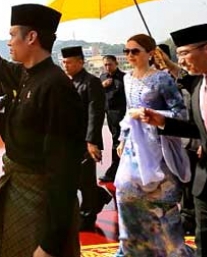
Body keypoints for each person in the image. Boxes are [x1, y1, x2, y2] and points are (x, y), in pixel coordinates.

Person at [0, 3, 84, 257]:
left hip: (39, 200)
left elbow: (64, 172)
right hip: (16, 187)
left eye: (11, 35)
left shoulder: (56, 87)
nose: (8, 42)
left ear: (31, 37)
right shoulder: (26, 75)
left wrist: (50, 244)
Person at [113, 34, 191, 256]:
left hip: (158, 149)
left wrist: (152, 115)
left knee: (161, 204)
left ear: (149, 53)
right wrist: (122, 138)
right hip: (133, 150)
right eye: (126, 51)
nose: (130, 55)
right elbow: (128, 111)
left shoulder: (162, 79)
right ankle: (132, 249)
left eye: (135, 51)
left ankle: (171, 250)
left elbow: (181, 112)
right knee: (126, 197)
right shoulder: (127, 79)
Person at [141, 23, 207, 256]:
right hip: (204, 180)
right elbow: (196, 128)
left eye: (184, 54)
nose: (182, 61)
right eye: (178, 55)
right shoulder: (199, 86)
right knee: (203, 239)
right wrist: (162, 122)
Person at [61, 46, 112, 230]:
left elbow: (95, 113)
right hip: (70, 140)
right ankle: (100, 197)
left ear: (80, 62)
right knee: (76, 178)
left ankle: (88, 216)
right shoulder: (69, 82)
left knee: (86, 180)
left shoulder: (91, 82)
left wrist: (91, 142)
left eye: (69, 62)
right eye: (63, 62)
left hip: (86, 141)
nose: (65, 65)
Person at [98, 55, 126, 183]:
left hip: (122, 115)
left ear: (116, 64)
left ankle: (114, 171)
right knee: (115, 141)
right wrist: (102, 86)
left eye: (110, 64)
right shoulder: (103, 78)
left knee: (119, 143)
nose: (108, 67)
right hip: (109, 116)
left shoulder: (124, 78)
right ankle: (117, 170)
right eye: (105, 65)